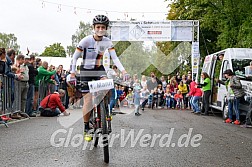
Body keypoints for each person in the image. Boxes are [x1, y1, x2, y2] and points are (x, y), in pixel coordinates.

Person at [70, 15, 127, 141]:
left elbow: (115, 58)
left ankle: (105, 110)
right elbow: (75, 57)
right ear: (93, 28)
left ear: (106, 29)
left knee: (107, 85)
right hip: (85, 71)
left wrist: (123, 71)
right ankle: (86, 127)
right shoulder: (85, 41)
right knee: (88, 100)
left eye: (103, 27)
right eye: (98, 27)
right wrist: (72, 72)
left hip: (98, 70)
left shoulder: (107, 42)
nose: (100, 29)